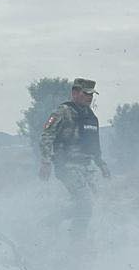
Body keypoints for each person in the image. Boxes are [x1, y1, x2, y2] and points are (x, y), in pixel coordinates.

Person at [39, 77, 110, 236]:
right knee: (85, 203)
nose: (90, 97)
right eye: (86, 94)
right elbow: (46, 136)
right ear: (75, 93)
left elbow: (94, 145)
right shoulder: (62, 112)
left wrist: (101, 164)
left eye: (92, 94)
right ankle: (73, 240)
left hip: (86, 167)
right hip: (66, 166)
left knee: (92, 205)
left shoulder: (90, 117)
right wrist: (45, 161)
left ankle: (58, 225)